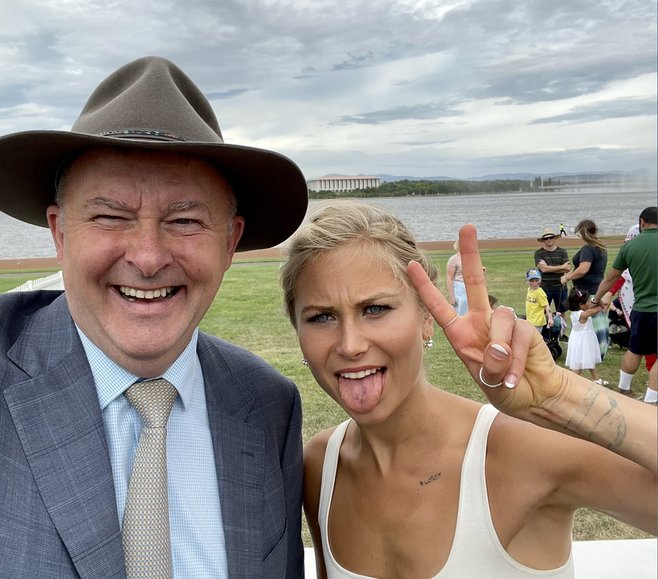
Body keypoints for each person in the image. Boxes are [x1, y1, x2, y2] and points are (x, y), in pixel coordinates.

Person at [0, 56, 307, 578]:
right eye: (111, 216)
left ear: (231, 241)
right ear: (60, 232)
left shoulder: (268, 406)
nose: (149, 256)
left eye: (185, 220)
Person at [279, 203, 656, 579]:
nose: (350, 344)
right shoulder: (320, 465)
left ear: (426, 317)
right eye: (321, 317)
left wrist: (557, 396)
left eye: (375, 309)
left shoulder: (520, 451)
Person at [595, 207, 658, 404]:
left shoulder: (630, 247)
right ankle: (651, 400)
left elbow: (610, 279)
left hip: (640, 309)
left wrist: (596, 299)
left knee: (635, 350)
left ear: (642, 222)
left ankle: (624, 389)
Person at [560, 219, 609, 360]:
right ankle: (599, 349)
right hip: (597, 289)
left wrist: (567, 277)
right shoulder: (601, 247)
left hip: (586, 292)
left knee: (585, 322)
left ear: (582, 232)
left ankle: (589, 351)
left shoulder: (588, 248)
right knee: (598, 322)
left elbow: (583, 269)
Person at [564, 288, 606, 384]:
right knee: (578, 364)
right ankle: (571, 382)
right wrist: (601, 307)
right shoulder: (581, 314)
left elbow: (591, 307)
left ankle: (596, 379)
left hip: (584, 340)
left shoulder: (579, 311)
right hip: (582, 342)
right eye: (587, 301)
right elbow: (592, 311)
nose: (589, 303)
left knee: (590, 359)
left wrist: (597, 302)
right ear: (581, 305)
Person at [534, 227, 570, 316]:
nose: (549, 240)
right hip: (545, 287)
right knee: (543, 312)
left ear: (554, 238)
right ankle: (544, 330)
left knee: (561, 313)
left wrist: (548, 268)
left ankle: (562, 330)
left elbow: (567, 269)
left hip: (561, 287)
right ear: (543, 240)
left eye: (551, 237)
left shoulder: (562, 251)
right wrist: (561, 267)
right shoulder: (538, 253)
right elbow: (543, 269)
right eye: (546, 238)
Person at [523, 268, 553, 333]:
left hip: (537, 322)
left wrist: (550, 318)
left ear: (540, 280)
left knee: (534, 340)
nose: (534, 283)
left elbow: (546, 306)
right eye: (531, 281)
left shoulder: (540, 292)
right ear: (527, 281)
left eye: (536, 280)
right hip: (530, 320)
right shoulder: (529, 290)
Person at [446, 240, 467, 315]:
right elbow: (449, 278)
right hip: (459, 288)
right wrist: (452, 297)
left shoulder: (472, 258)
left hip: (470, 287)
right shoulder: (453, 259)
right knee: (459, 311)